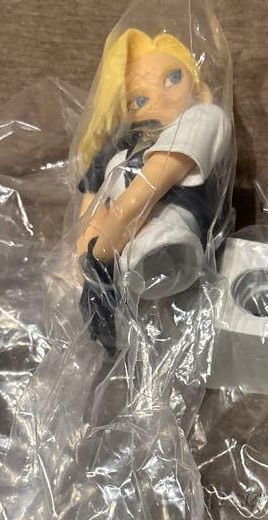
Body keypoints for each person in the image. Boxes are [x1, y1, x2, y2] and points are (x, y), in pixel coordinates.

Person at [73, 29, 233, 353]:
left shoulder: (203, 118)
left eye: (173, 78)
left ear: (199, 89)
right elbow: (92, 205)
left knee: (163, 238)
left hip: (168, 226)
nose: (161, 98)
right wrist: (87, 259)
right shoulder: (116, 149)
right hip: (119, 252)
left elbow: (158, 177)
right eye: (140, 100)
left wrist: (110, 238)